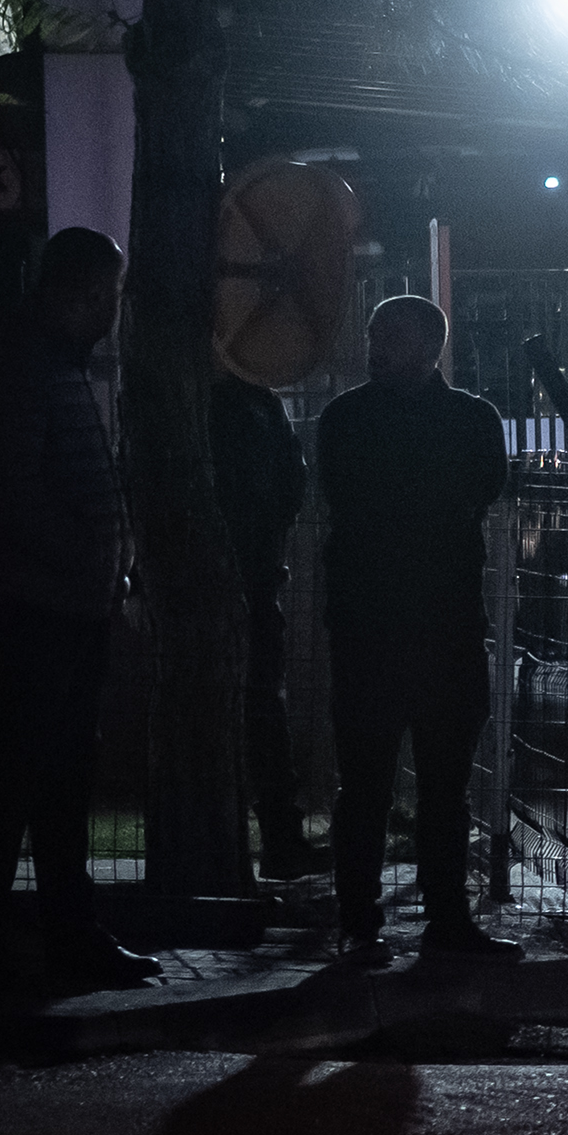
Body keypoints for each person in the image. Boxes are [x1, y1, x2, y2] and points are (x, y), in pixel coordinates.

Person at [0, 226, 156, 990]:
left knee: (52, 774)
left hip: (50, 603)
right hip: (29, 606)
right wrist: (88, 558)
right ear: (85, 291)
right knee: (25, 774)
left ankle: (50, 934)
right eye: (109, 294)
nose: (112, 310)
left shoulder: (34, 361)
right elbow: (10, 490)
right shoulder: (22, 365)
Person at [315, 294, 516, 966]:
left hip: (385, 622)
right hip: (432, 620)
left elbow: (352, 500)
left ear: (429, 346)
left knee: (399, 784)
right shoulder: (470, 420)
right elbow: (475, 493)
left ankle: (374, 922)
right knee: (410, 784)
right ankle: (431, 920)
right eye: (374, 335)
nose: (374, 348)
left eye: (388, 337)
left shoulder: (347, 419)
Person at [212, 368, 310, 881]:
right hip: (256, 570)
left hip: (235, 571)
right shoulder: (262, 402)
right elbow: (292, 481)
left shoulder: (204, 400)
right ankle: (279, 838)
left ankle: (259, 840)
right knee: (264, 706)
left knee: (253, 707)